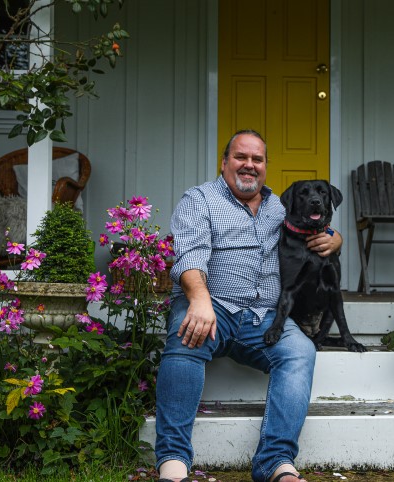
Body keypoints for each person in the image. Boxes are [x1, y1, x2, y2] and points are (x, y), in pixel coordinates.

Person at [155, 130, 343, 482]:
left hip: (264, 318)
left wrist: (335, 238)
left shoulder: (281, 206)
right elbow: (189, 255)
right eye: (241, 157)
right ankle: (173, 464)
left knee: (299, 351)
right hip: (214, 308)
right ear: (224, 162)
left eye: (257, 159)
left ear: (265, 167)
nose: (249, 165)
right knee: (185, 338)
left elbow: (319, 228)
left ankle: (276, 463)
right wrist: (199, 299)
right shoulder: (200, 200)